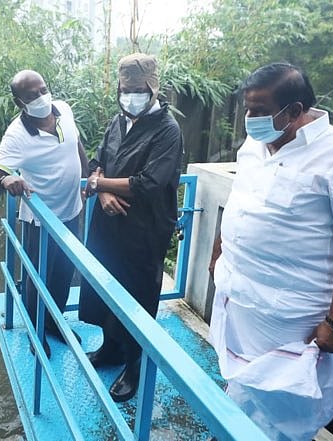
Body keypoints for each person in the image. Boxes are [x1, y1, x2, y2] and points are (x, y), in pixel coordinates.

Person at [208, 63, 333, 440]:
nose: (249, 119)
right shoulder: (254, 145)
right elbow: (240, 200)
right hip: (237, 298)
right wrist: (219, 253)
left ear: (295, 111)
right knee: (241, 386)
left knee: (281, 406)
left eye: (258, 110)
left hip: (288, 316)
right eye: (247, 109)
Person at [79, 53, 183, 402]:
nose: (131, 95)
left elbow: (150, 182)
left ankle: (135, 365)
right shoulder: (116, 122)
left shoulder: (167, 130)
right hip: (109, 224)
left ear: (153, 88)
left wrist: (102, 185)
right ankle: (111, 348)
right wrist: (99, 183)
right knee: (105, 285)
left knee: (138, 294)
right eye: (126, 89)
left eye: (138, 89)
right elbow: (95, 162)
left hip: (144, 229)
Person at [0, 70, 89, 357]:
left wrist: (87, 177)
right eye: (32, 96)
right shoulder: (17, 135)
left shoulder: (64, 110)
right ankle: (35, 331)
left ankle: (55, 324)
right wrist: (6, 180)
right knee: (37, 278)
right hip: (40, 220)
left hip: (71, 212)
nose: (41, 98)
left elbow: (76, 143)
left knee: (64, 273)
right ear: (20, 102)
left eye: (43, 90)